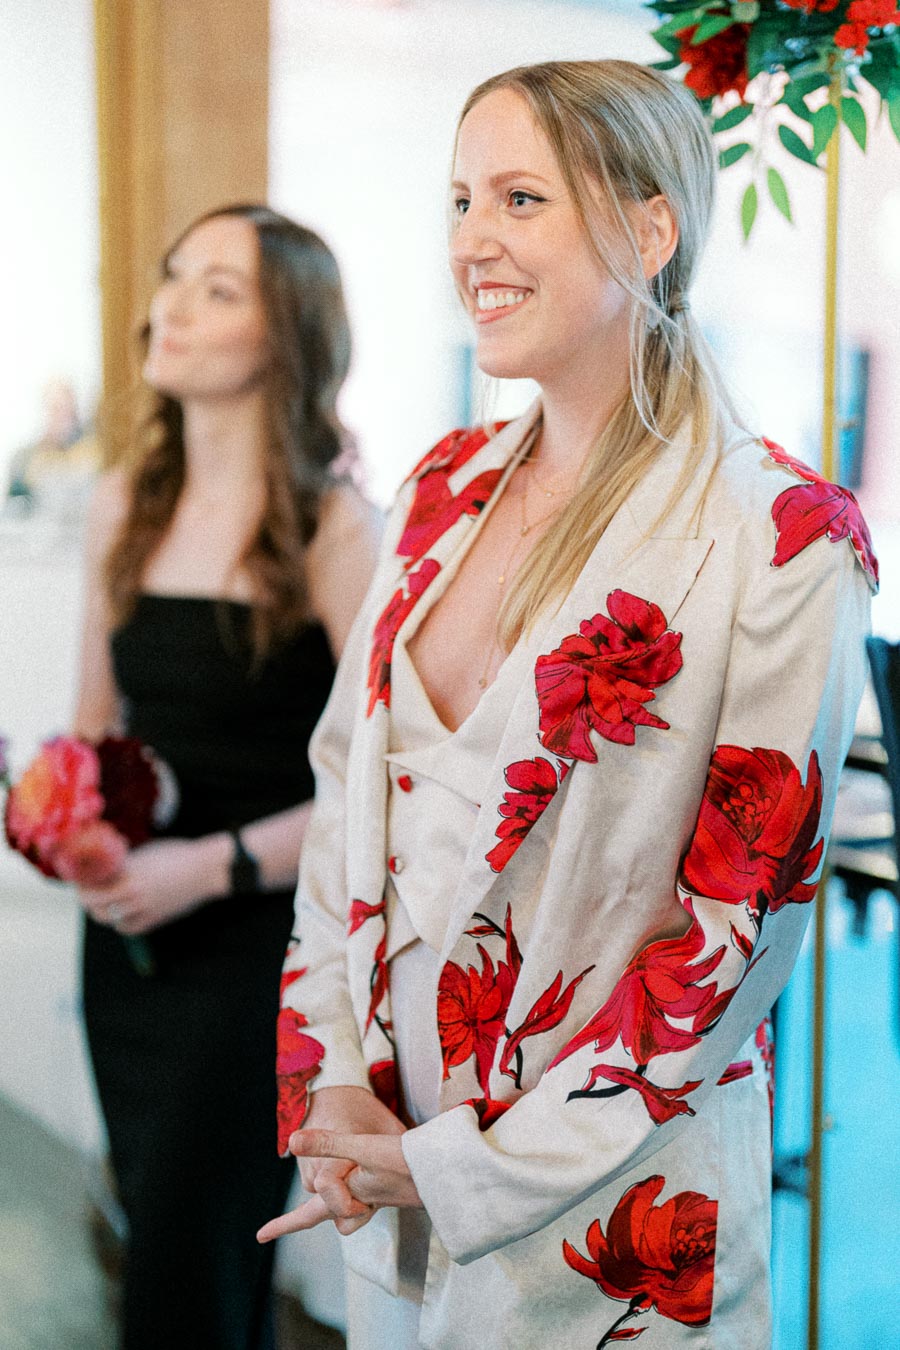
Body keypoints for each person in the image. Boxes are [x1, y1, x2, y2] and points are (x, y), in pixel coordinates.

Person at [260, 61, 876, 1349]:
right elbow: (343, 807)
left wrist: (469, 1167)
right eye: (462, 200)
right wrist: (334, 1088)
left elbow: (724, 946)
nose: (471, 242)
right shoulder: (440, 487)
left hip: (609, 1223)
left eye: (522, 199)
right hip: (386, 1179)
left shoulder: (781, 537)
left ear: (649, 230)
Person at [73, 204, 380, 1350]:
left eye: (218, 289)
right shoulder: (123, 505)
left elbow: (383, 780)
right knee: (148, 1216)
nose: (173, 308)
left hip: (259, 945)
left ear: (286, 337)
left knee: (194, 1259)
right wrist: (70, 828)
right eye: (173, 277)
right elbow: (94, 737)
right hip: (129, 943)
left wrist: (209, 866)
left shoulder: (335, 525)